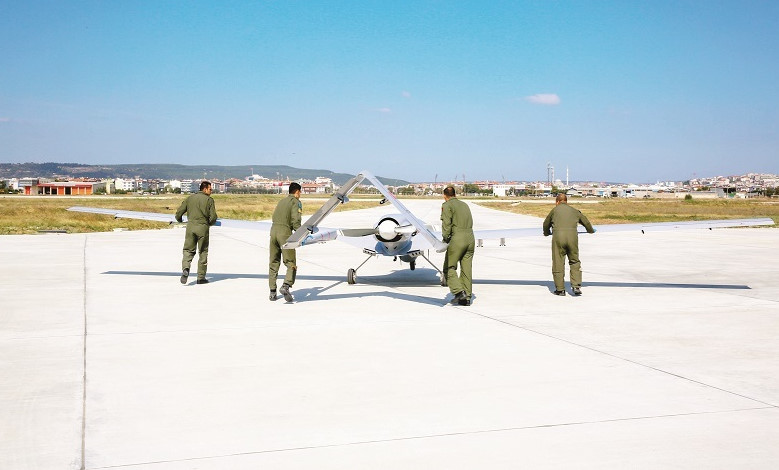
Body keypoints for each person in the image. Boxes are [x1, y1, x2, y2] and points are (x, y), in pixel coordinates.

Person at [542, 193, 595, 296]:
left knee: (558, 263)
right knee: (574, 261)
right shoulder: (574, 211)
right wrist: (590, 231)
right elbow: (586, 222)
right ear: (566, 201)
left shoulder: (554, 211)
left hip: (558, 239)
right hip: (572, 239)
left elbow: (546, 224)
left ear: (557, 202)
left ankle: (560, 290)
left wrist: (546, 233)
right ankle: (576, 286)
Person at [176, 180, 218, 285]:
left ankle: (186, 268)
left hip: (190, 227)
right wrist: (208, 223)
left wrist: (180, 220)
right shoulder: (209, 200)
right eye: (210, 189)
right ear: (204, 189)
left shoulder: (190, 198)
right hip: (202, 228)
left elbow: (179, 213)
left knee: (188, 250)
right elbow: (213, 217)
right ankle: (201, 277)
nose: (211, 191)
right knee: (203, 252)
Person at [441, 185, 475, 306]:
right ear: (455, 194)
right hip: (470, 238)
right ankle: (466, 298)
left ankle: (458, 292)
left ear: (445, 196)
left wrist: (445, 239)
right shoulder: (465, 205)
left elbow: (446, 224)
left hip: (458, 238)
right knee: (466, 269)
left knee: (449, 267)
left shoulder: (447, 205)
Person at [269, 182, 302, 302]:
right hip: (284, 233)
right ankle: (286, 285)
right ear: (297, 192)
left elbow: (274, 216)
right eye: (300, 192)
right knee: (290, 262)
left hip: (273, 232)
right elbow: (295, 221)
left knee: (274, 262)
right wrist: (301, 234)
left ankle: (272, 292)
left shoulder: (281, 201)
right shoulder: (296, 202)